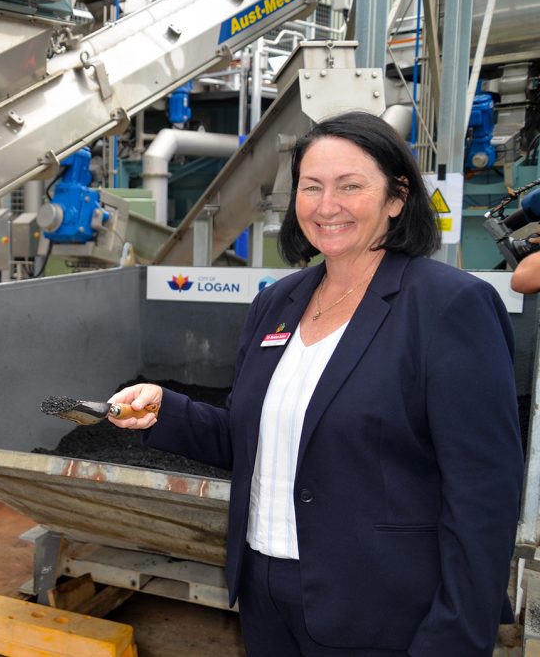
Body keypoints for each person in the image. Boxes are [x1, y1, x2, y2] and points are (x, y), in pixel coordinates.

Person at [107, 111, 522, 656]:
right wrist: (168, 410)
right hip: (266, 594)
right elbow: (255, 440)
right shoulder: (277, 303)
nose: (327, 206)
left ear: (397, 197)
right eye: (312, 187)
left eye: (351, 186)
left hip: (383, 608)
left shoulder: (448, 306)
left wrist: (456, 638)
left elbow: (483, 495)